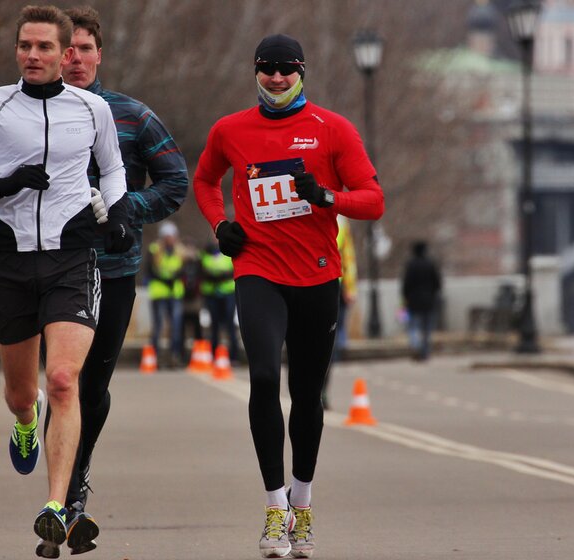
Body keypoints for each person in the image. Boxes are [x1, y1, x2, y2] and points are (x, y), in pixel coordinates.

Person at [0, 6, 134, 558]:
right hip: (10, 260)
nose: (34, 55)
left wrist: (116, 214)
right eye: (26, 45)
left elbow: (112, 169)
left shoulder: (91, 109)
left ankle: (55, 505)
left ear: (65, 51)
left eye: (45, 47)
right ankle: (25, 422)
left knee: (65, 380)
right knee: (24, 393)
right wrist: (3, 183)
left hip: (72, 256)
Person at [193, 34, 385, 559]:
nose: (276, 79)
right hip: (258, 270)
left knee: (306, 392)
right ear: (255, 72)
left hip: (318, 277)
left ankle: (302, 500)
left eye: (286, 70)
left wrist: (327, 196)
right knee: (260, 375)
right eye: (267, 70)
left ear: (302, 72)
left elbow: (373, 201)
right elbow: (205, 179)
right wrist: (219, 226)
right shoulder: (230, 130)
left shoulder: (332, 129)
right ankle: (275, 504)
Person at [53, 5, 188, 556]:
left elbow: (175, 180)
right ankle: (37, 444)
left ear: (99, 54)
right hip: (47, 267)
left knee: (86, 386)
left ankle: (70, 492)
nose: (75, 58)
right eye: (66, 49)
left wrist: (124, 208)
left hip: (114, 268)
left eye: (85, 49)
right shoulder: (17, 113)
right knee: (47, 385)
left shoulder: (131, 115)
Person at [321, 215, 357, 410]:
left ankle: (322, 390)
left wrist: (350, 288)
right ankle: (307, 389)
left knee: (328, 344)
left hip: (334, 285)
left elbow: (347, 256)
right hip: (303, 284)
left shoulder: (341, 221)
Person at [146, 220, 186, 368]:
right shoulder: (154, 249)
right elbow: (150, 270)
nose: (170, 239)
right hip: (159, 293)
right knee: (158, 326)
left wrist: (174, 277)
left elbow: (184, 270)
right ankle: (154, 358)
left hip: (175, 293)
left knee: (175, 327)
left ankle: (174, 357)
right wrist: (166, 278)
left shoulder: (180, 251)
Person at [401, 240, 442, 361]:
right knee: (427, 329)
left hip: (414, 301)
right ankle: (425, 351)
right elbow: (437, 283)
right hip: (429, 301)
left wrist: (406, 297)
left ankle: (415, 347)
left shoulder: (411, 265)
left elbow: (406, 284)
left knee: (413, 326)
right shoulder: (430, 264)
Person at [199, 241, 239, 362]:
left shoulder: (229, 252)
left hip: (227, 293)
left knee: (229, 324)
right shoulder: (205, 254)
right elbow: (202, 271)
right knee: (214, 325)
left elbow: (234, 270)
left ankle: (234, 356)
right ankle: (214, 354)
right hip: (212, 293)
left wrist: (220, 275)